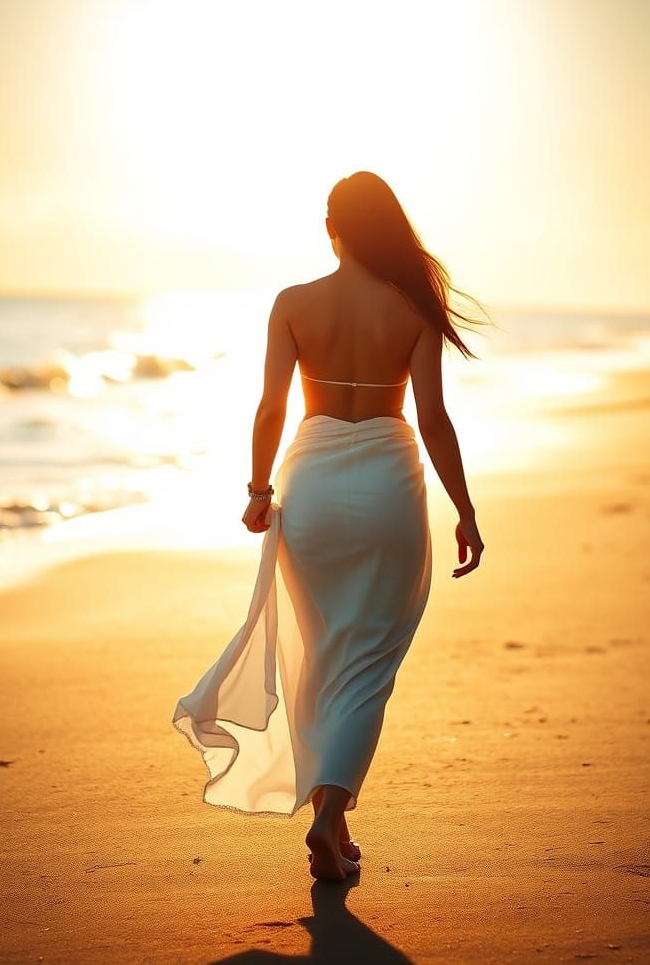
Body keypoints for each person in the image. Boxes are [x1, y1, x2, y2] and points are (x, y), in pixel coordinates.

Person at [173, 171, 488, 882]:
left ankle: (332, 826)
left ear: (330, 229)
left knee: (322, 655)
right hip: (389, 484)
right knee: (368, 664)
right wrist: (465, 509)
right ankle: (328, 815)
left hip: (311, 482)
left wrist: (259, 489)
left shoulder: (293, 303)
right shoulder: (412, 306)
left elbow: (268, 409)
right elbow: (433, 420)